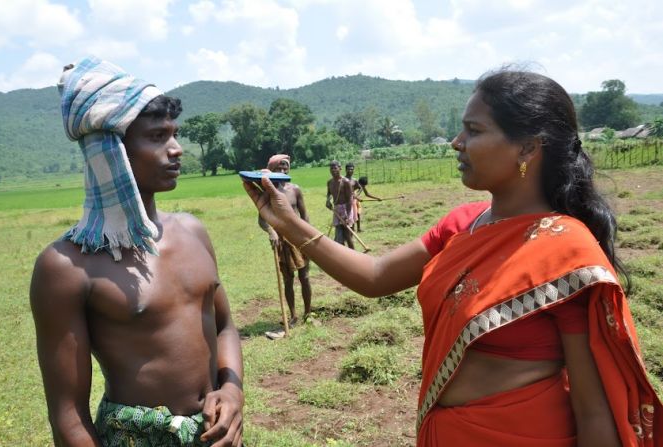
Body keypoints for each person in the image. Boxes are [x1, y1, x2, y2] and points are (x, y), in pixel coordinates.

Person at [244, 69, 662, 446]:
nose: (456, 143)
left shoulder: (566, 251)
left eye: (473, 131)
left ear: (527, 148)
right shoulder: (463, 223)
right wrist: (287, 223)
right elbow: (374, 276)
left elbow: (593, 412)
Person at [30, 57, 244, 447]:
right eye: (158, 137)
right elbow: (68, 416)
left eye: (175, 134)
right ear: (110, 152)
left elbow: (224, 325)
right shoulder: (66, 266)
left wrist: (231, 391)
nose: (177, 149)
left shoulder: (193, 231)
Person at [258, 154, 312, 326]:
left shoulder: (295, 189)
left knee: (305, 277)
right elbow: (262, 219)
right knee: (288, 279)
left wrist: (309, 237)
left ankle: (308, 313)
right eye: (278, 168)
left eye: (285, 167)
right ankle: (294, 315)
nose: (282, 170)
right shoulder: (267, 193)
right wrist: (271, 231)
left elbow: (304, 215)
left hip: (300, 238)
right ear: (272, 170)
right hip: (282, 240)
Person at [344, 162, 381, 232]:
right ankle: (352, 230)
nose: (363, 187)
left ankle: (358, 229)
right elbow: (350, 193)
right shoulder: (349, 182)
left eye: (352, 169)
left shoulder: (359, 184)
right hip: (349, 201)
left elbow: (367, 194)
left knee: (357, 214)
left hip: (355, 201)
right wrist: (357, 198)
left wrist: (377, 198)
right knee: (352, 215)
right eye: (349, 169)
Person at [325, 160, 355, 248]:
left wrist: (347, 215)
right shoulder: (329, 182)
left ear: (340, 168)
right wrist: (327, 201)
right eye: (331, 168)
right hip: (336, 209)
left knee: (347, 235)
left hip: (346, 209)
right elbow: (329, 193)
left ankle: (353, 254)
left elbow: (350, 199)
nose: (333, 170)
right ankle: (342, 253)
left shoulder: (345, 182)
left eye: (335, 168)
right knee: (338, 235)